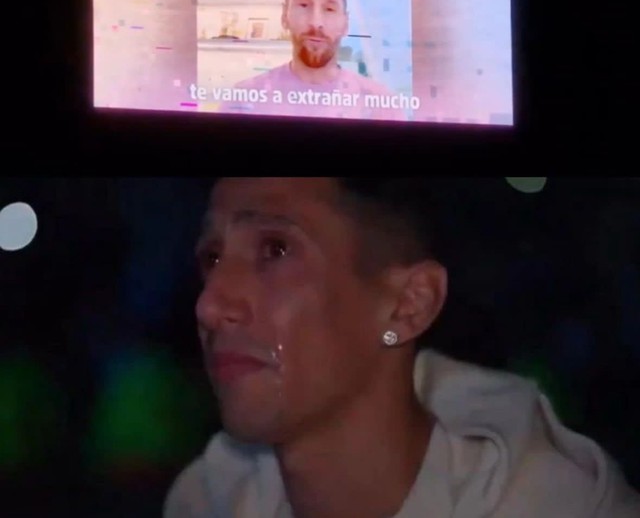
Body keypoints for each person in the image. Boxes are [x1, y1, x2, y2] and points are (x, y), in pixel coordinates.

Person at [164, 177, 640, 518]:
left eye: (276, 249)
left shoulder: (558, 503)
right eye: (212, 257)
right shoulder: (208, 497)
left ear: (408, 306)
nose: (209, 304)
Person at [217, 0, 407, 121]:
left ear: (345, 23)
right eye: (304, 5)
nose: (316, 23)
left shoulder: (383, 106)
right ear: (285, 15)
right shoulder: (243, 99)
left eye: (329, 8)